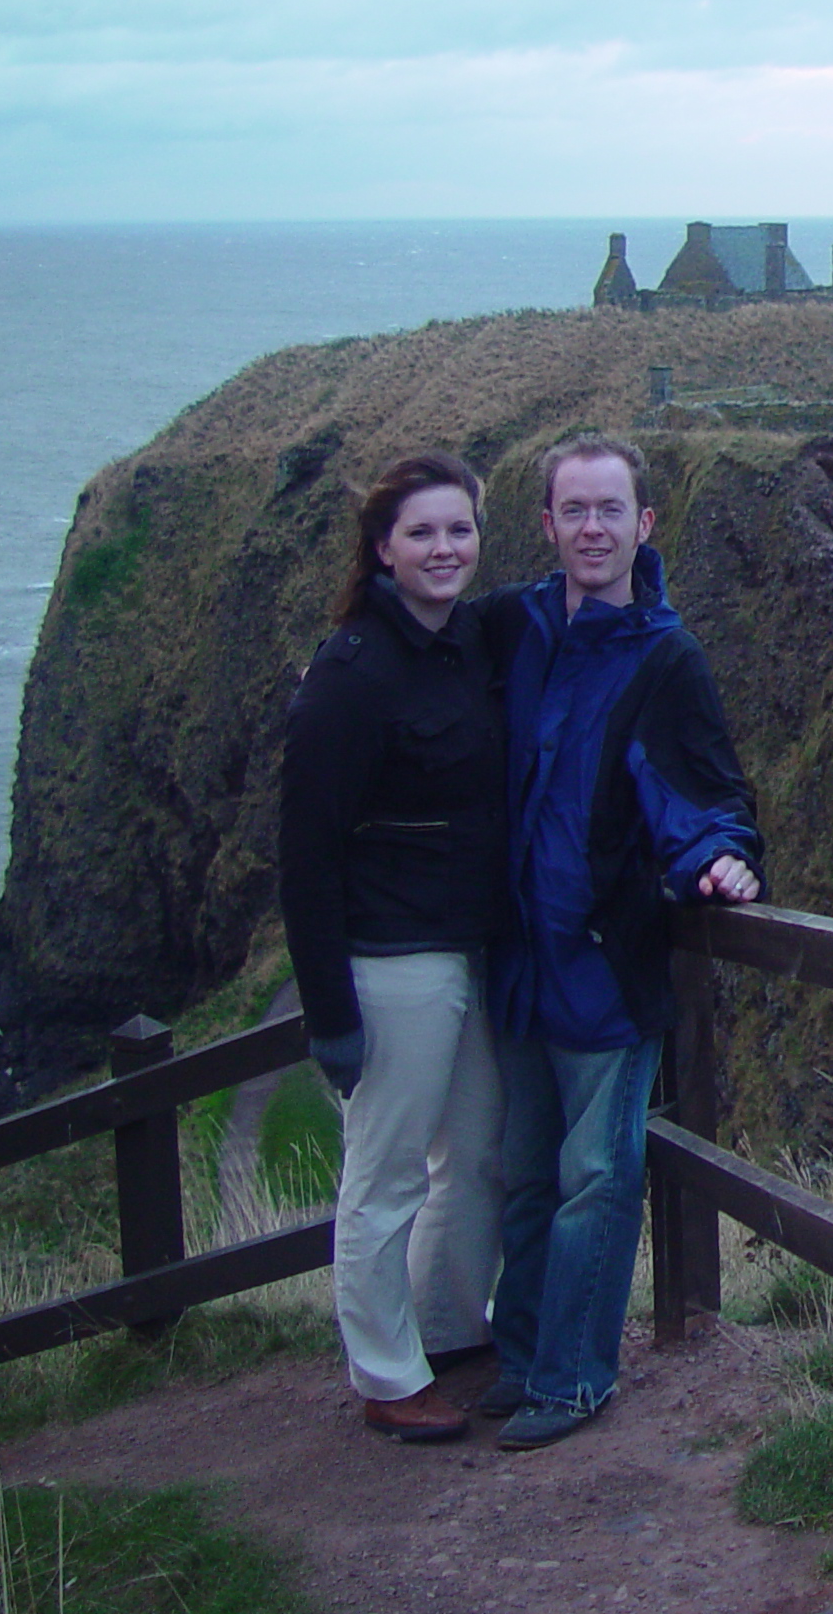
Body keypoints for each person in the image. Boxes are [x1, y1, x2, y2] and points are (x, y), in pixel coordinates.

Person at [476, 432, 763, 1452]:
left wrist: (721, 860)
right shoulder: (514, 627)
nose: (592, 528)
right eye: (574, 510)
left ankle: (575, 1378)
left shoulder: (663, 656)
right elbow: (414, 675)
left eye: (611, 510)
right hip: (519, 962)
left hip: (603, 961)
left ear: (645, 526)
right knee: (525, 1180)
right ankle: (517, 1364)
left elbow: (703, 791)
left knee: (596, 1179)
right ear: (546, 524)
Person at [279, 452, 507, 1445]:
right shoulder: (351, 672)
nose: (443, 548)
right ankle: (384, 1374)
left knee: (483, 1151)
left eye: (458, 530)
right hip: (390, 961)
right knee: (386, 1177)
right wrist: (329, 1013)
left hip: (469, 948)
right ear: (382, 548)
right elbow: (304, 853)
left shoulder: (467, 642)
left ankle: (451, 1329)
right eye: (421, 532)